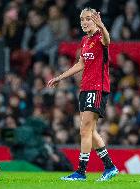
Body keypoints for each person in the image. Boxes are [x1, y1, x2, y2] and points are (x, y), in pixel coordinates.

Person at [47, 7, 118, 181]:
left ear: (95, 20)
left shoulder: (100, 37)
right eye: (82, 19)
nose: (85, 22)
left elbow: (108, 41)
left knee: (85, 129)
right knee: (90, 131)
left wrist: (102, 27)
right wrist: (60, 77)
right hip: (86, 88)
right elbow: (81, 64)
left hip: (98, 88)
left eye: (88, 19)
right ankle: (110, 167)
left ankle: (81, 171)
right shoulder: (85, 40)